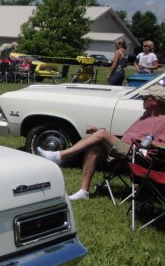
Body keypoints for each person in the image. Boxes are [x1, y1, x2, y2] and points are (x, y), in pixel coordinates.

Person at [36, 84, 165, 200]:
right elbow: (126, 137)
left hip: (139, 156)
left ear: (155, 101)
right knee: (95, 149)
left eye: (145, 98)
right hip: (125, 152)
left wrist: (148, 142)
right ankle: (83, 191)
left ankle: (60, 156)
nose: (142, 100)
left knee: (102, 134)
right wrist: (99, 132)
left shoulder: (163, 120)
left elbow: (162, 145)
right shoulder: (145, 116)